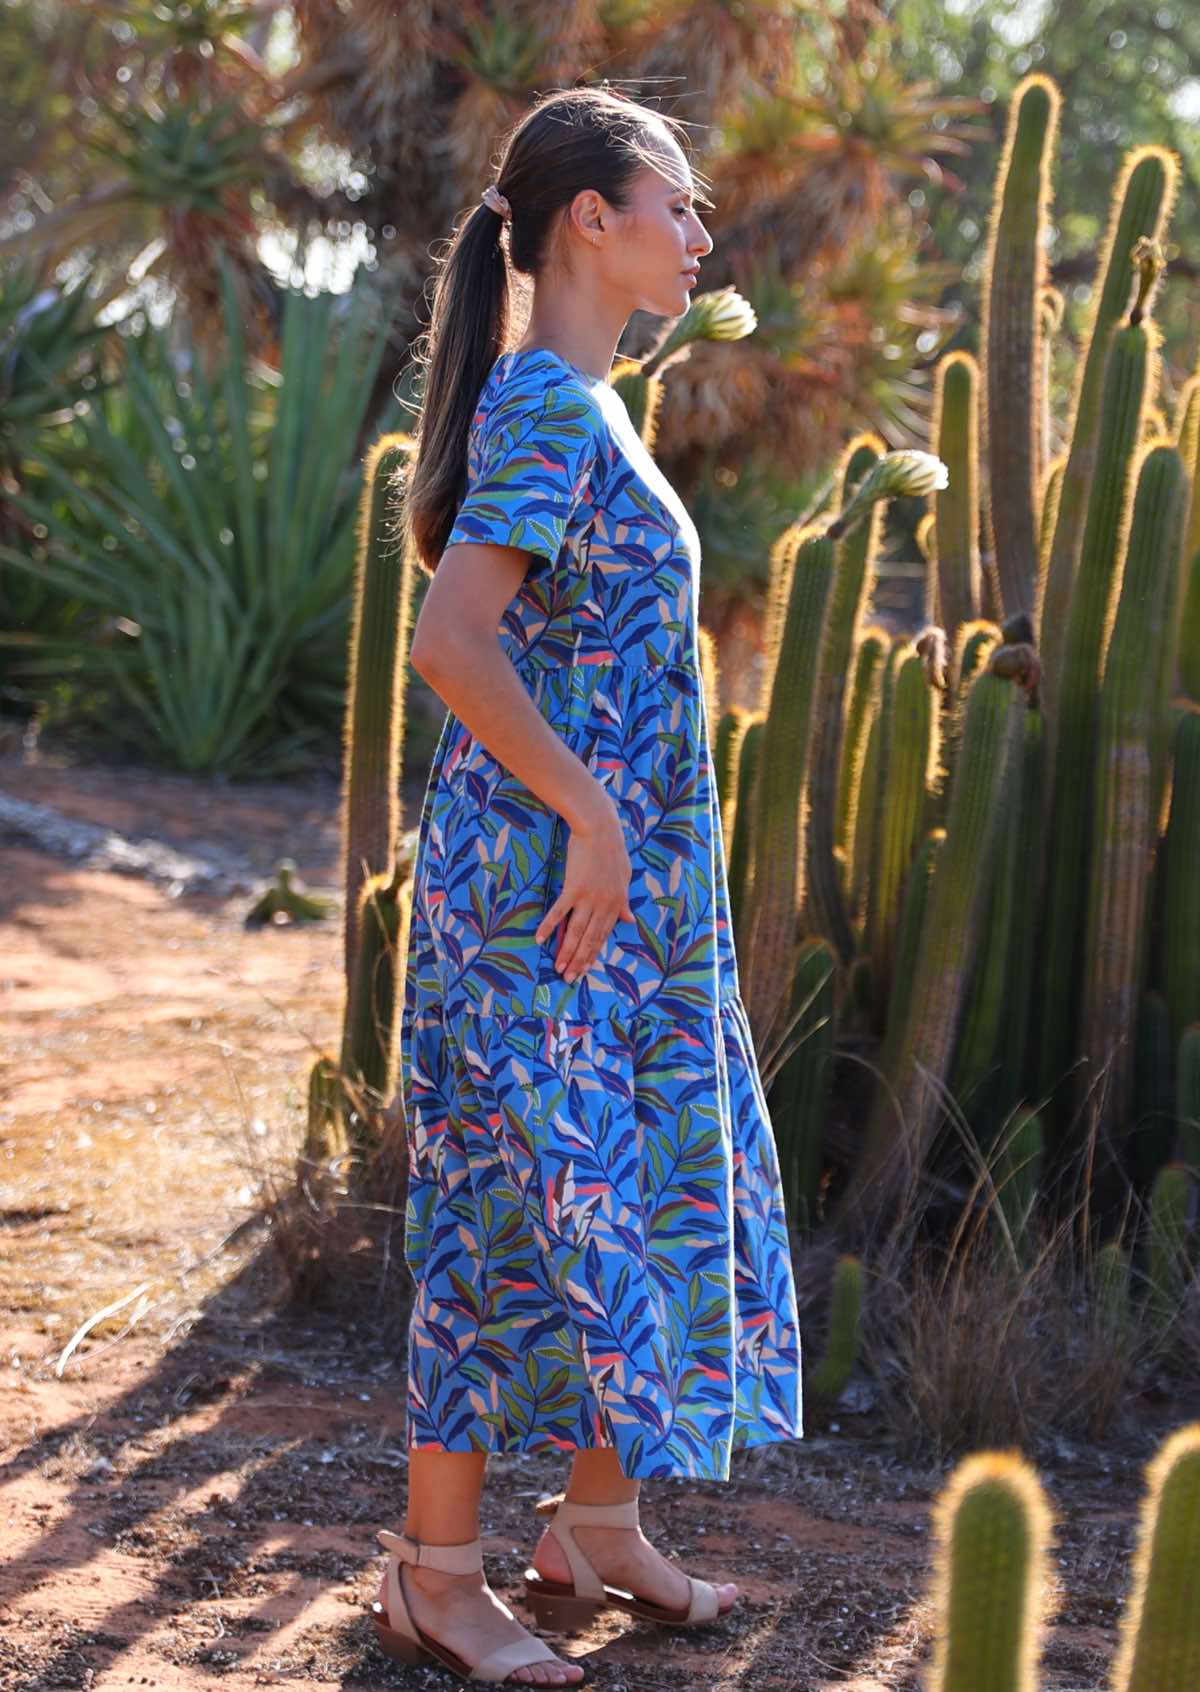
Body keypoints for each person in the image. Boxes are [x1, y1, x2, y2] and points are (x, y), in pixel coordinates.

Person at [378, 82, 805, 1685]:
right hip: (548, 905)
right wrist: (595, 818)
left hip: (624, 912)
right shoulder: (552, 406)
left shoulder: (592, 399)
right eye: (674, 204)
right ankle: (434, 1574)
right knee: (514, 1216)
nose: (701, 232)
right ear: (589, 224)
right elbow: (452, 643)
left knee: (653, 1204)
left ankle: (598, 1525)